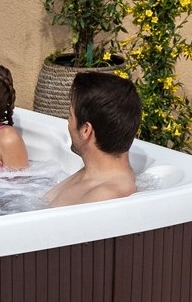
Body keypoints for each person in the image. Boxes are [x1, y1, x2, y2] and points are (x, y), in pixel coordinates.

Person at [45, 70, 142, 207]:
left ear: (86, 130)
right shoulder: (93, 176)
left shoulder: (109, 195)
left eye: (71, 115)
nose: (68, 122)